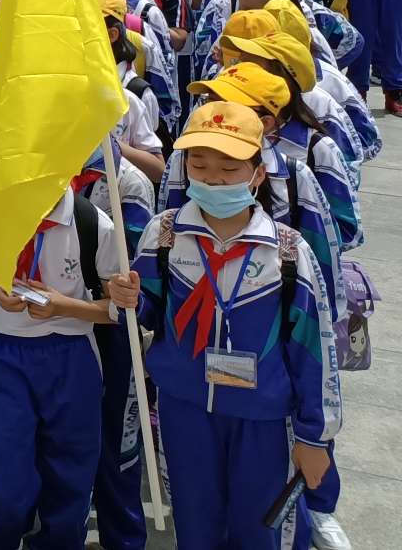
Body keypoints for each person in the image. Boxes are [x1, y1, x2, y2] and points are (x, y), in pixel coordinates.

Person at [116, 101, 340, 550]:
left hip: (263, 420)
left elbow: (314, 351)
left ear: (257, 174)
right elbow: (147, 313)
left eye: (229, 168)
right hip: (184, 411)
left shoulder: (287, 252)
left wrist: (315, 438)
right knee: (195, 527)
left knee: (261, 531)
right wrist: (128, 300)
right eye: (199, 165)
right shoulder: (164, 235)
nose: (213, 179)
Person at [0, 174, 125, 550]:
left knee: (71, 471)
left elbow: (115, 310)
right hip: (4, 353)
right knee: (6, 474)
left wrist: (65, 306)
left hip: (71, 355)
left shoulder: (91, 222)